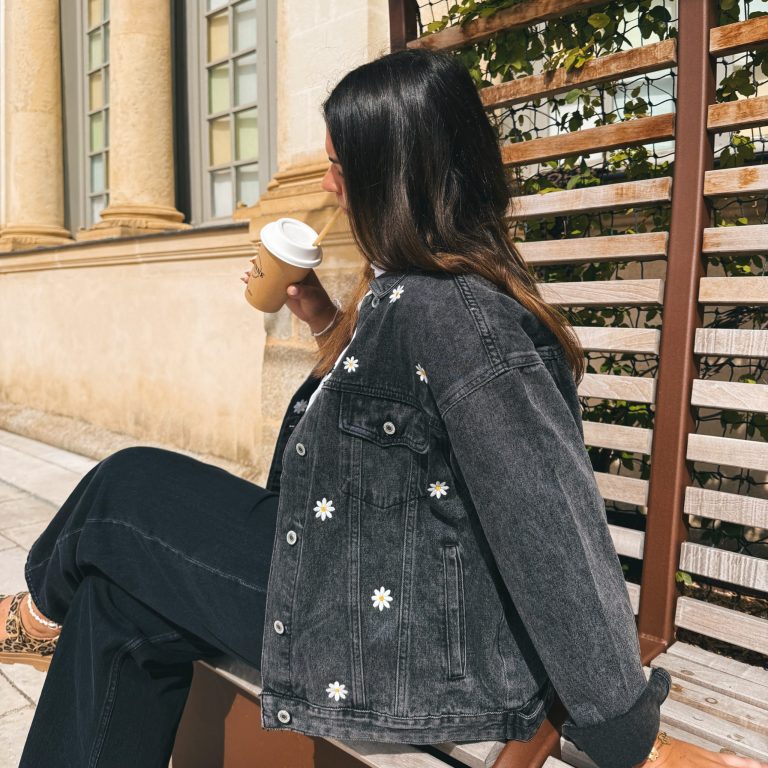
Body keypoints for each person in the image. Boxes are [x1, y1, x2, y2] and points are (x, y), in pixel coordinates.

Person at [1, 49, 763, 768]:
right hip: (358, 575)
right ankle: (53, 611)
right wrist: (326, 320)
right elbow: (396, 419)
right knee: (117, 602)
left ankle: (34, 615)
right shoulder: (413, 294)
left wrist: (632, 738)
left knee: (123, 495)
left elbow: (549, 520)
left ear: (388, 176)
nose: (330, 185)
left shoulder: (461, 320)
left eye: (339, 166)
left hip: (403, 633)